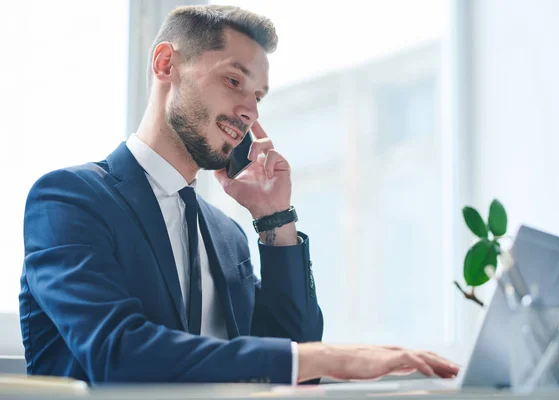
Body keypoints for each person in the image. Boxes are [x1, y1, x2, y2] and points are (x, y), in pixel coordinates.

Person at [19, 5, 459, 385]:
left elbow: (292, 353)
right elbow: (119, 355)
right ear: (165, 63)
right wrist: (334, 359)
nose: (249, 111)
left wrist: (274, 221)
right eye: (233, 81)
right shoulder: (70, 199)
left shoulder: (225, 234)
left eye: (259, 97)